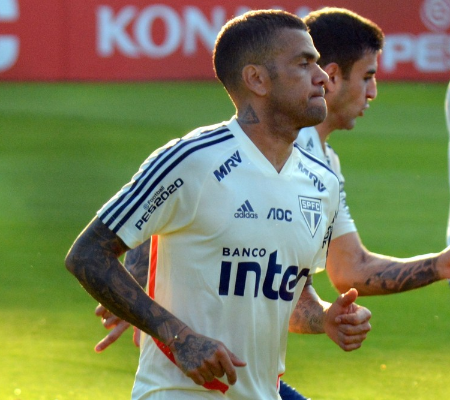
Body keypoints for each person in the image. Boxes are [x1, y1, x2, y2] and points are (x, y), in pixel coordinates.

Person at [94, 7, 450, 400]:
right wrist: (163, 321)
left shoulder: (321, 178)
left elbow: (288, 286)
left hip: (258, 389)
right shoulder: (206, 156)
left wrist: (326, 318)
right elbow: (107, 246)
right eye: (306, 64)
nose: (323, 78)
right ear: (258, 79)